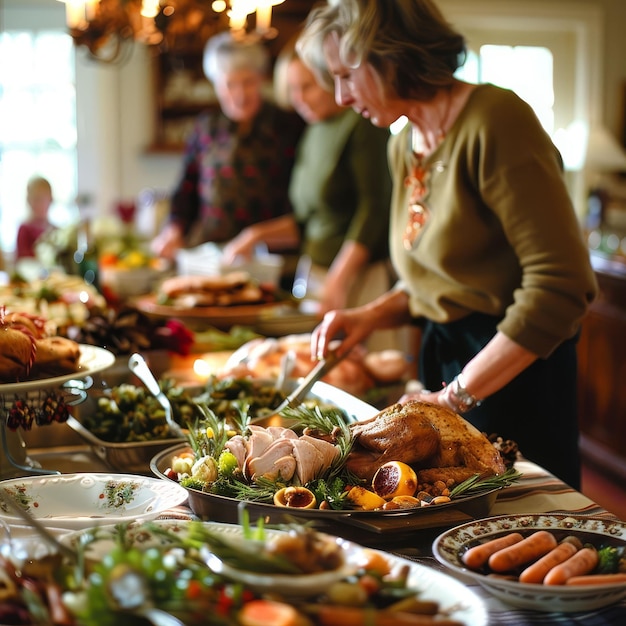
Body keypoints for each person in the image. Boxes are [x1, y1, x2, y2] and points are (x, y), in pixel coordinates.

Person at [299, 0, 598, 489]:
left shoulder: (496, 121)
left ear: (390, 57)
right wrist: (372, 315)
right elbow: (441, 281)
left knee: (518, 536)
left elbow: (561, 287)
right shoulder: (404, 143)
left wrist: (458, 396)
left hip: (514, 376)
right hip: (448, 369)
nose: (341, 96)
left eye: (346, 76)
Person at [222, 42, 394, 321]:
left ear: (331, 80)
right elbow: (306, 220)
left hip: (358, 277)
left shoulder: (361, 125)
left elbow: (374, 210)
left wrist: (339, 279)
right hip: (316, 270)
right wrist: (254, 236)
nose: (298, 98)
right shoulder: (313, 129)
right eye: (291, 89)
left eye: (307, 86)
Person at [151, 31, 304, 261]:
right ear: (215, 85)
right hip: (210, 253)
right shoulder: (205, 127)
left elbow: (301, 201)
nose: (240, 94)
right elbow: (186, 189)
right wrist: (173, 230)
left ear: (262, 79)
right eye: (230, 84)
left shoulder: (288, 125)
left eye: (248, 82)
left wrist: (260, 237)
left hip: (269, 256)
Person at [16, 175, 55, 260]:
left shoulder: (55, 230)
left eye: (44, 198)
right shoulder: (24, 229)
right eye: (36, 199)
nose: (41, 204)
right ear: (29, 201)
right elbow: (22, 262)